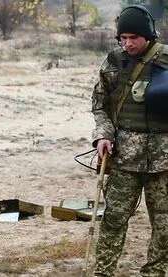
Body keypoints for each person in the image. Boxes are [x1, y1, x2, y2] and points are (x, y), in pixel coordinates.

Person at [91, 5, 168, 276]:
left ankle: (155, 271)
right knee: (113, 219)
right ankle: (104, 271)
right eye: (122, 38)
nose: (127, 43)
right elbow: (99, 105)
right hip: (124, 158)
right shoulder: (114, 62)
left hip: (164, 161)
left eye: (133, 37)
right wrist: (102, 135)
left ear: (148, 35)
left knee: (164, 223)